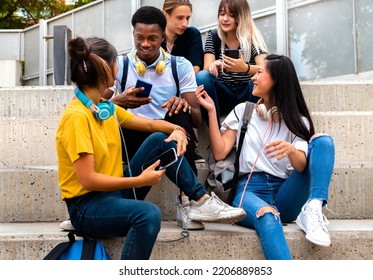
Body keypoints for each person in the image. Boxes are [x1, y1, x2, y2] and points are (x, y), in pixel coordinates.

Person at [57, 35, 246, 260]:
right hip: (86, 208)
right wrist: (140, 181)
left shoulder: (104, 107)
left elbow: (149, 124)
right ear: (105, 70)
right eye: (115, 61)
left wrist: (176, 130)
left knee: (158, 139)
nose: (119, 66)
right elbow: (88, 180)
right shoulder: (77, 117)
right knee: (148, 214)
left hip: (113, 195)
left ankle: (201, 201)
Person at [196, 54, 335, 260]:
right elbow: (220, 152)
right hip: (248, 191)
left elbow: (302, 166)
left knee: (323, 141)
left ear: (276, 80)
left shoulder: (298, 121)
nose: (253, 77)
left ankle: (314, 207)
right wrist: (212, 111)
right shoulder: (244, 111)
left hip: (285, 193)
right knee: (267, 215)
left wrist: (291, 150)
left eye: (259, 72)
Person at [100, 6, 204, 231]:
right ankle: (98, 201)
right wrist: (118, 102)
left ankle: (187, 203)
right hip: (132, 136)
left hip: (168, 137)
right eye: (140, 38)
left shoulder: (180, 65)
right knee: (107, 117)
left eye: (152, 38)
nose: (145, 44)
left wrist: (183, 102)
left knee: (183, 113)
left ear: (163, 36)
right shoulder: (121, 66)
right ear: (133, 35)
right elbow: (92, 109)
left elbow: (196, 120)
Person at [161, 0, 206, 230]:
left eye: (187, 18)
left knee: (182, 111)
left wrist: (182, 96)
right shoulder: (152, 36)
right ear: (165, 15)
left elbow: (195, 70)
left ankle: (187, 202)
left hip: (183, 95)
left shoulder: (191, 35)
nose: (184, 23)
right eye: (179, 18)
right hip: (156, 104)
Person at [196, 0, 268, 126]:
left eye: (231, 15)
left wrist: (244, 68)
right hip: (222, 95)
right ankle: (217, 132)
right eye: (222, 14)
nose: (225, 19)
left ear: (241, 16)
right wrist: (215, 64)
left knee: (257, 80)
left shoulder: (252, 37)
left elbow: (266, 69)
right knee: (202, 76)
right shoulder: (213, 36)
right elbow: (206, 69)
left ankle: (251, 128)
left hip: (247, 94)